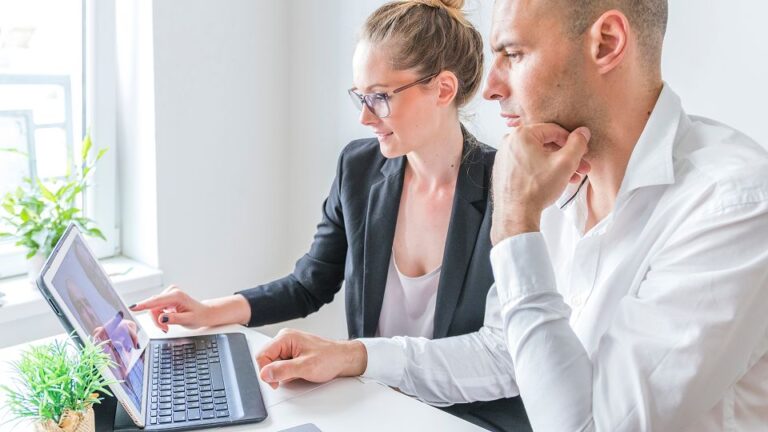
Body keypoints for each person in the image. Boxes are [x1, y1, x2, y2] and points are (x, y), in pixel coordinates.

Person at [253, 0, 768, 430]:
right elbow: (505, 353)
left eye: (513, 54)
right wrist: (356, 356)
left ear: (607, 43)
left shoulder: (733, 204)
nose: (492, 86)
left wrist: (516, 223)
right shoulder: (561, 180)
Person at [130, 1, 530, 430]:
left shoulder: (508, 188)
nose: (363, 116)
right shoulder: (358, 168)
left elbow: (502, 354)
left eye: (379, 97)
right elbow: (310, 283)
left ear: (443, 89)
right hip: (369, 404)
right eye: (360, 95)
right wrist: (210, 311)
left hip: (467, 420)